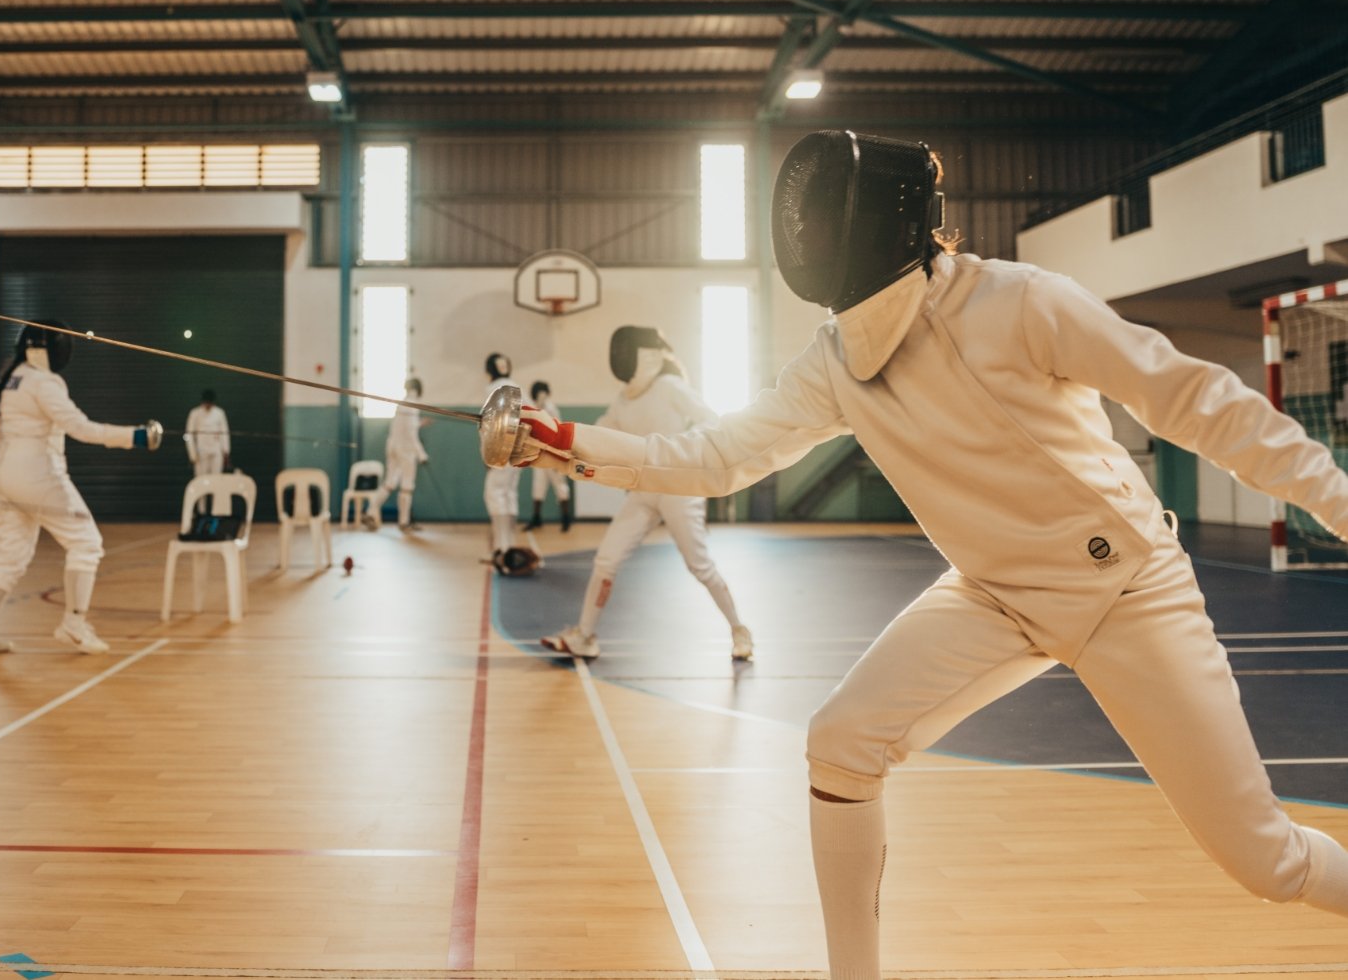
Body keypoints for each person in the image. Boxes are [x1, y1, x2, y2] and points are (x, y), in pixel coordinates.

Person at [509, 130, 1348, 978]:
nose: (808, 232)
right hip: (993, 595)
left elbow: (1194, 399)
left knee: (1266, 862)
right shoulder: (836, 359)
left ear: (879, 220)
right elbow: (715, 456)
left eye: (823, 218)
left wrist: (1337, 501)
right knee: (842, 742)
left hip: (1125, 588)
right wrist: (564, 443)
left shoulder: (1021, 301)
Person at [539, 329, 751, 661]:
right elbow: (599, 432)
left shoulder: (670, 387)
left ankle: (739, 629)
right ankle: (585, 636)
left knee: (699, 566)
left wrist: (678, 451)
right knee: (605, 560)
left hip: (679, 488)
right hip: (642, 489)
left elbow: (710, 420)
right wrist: (552, 440)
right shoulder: (624, 399)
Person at [0, 323, 161, 657]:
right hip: (35, 475)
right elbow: (80, 428)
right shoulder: (45, 382)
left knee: (10, 557)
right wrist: (136, 437)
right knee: (86, 542)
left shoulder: (12, 379)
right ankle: (74, 624)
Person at [366, 376, 428, 532]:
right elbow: (411, 434)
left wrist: (419, 424)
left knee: (390, 483)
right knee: (407, 486)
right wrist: (422, 455)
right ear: (418, 389)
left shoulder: (402, 404)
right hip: (406, 451)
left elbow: (404, 427)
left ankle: (370, 512)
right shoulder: (413, 405)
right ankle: (404, 522)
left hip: (393, 446)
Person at [482, 352, 524, 565]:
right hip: (518, 452)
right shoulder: (518, 387)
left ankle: (501, 550)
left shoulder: (493, 389)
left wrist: (488, 456)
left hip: (500, 452)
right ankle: (509, 548)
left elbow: (489, 426)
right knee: (509, 495)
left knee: (495, 495)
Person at [526, 380, 572, 533]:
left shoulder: (551, 409)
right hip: (539, 453)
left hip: (553, 453)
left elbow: (558, 430)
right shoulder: (534, 408)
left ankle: (566, 519)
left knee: (560, 485)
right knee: (538, 486)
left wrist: (559, 453)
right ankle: (536, 518)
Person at [185, 389, 231, 479]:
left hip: (216, 451)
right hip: (201, 452)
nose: (208, 405)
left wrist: (226, 452)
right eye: (206, 402)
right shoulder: (195, 413)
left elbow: (224, 433)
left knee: (216, 478)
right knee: (200, 479)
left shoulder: (219, 413)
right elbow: (189, 434)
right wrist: (192, 454)